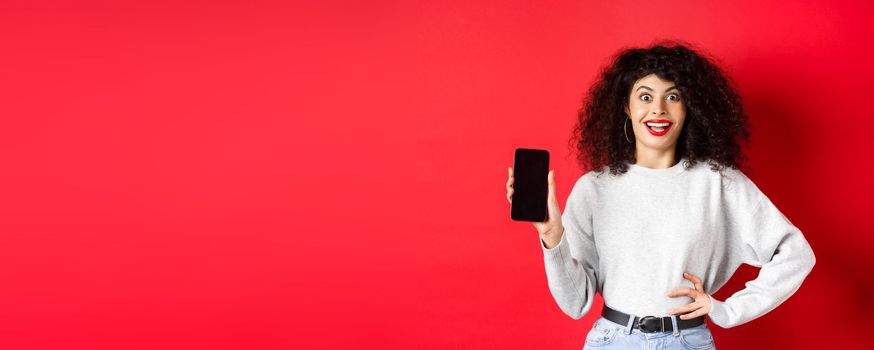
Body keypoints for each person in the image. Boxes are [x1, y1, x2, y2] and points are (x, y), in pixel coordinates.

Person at [505, 41, 816, 349]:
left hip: (687, 340)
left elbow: (795, 254)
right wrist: (552, 235)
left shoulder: (719, 184)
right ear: (626, 106)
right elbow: (576, 304)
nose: (658, 109)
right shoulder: (593, 188)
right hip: (612, 341)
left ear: (688, 106)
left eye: (673, 96)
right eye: (645, 96)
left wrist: (727, 310)